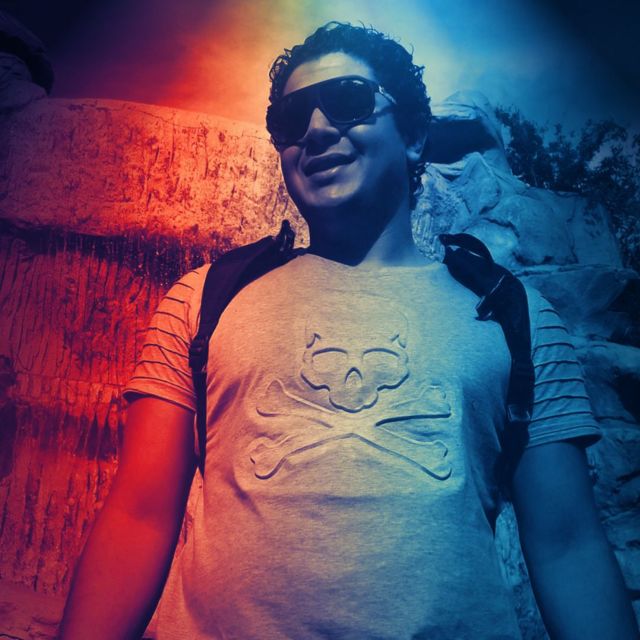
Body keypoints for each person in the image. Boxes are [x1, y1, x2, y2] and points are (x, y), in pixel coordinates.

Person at [59, 22, 637, 640]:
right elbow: (138, 517)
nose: (314, 129)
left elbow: (568, 544)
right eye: (290, 119)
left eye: (348, 100)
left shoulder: (514, 314)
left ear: (413, 135)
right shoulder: (203, 301)